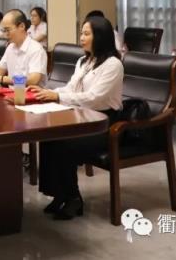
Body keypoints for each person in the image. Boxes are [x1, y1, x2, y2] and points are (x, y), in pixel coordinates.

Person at [28, 16, 123, 220]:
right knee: (49, 137)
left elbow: (95, 98)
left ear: (100, 36)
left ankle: (73, 198)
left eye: (86, 34)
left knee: (65, 143)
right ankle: (58, 194)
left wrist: (57, 97)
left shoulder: (113, 64)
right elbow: (71, 88)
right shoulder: (83, 61)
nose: (81, 38)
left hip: (103, 124)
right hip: (81, 118)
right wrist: (48, 92)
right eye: (81, 33)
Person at [0, 9, 47, 86]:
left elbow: (33, 80)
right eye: (4, 30)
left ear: (22, 26)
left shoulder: (36, 49)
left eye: (8, 30)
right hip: (12, 92)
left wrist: (3, 79)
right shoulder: (10, 47)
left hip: (29, 93)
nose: (5, 34)